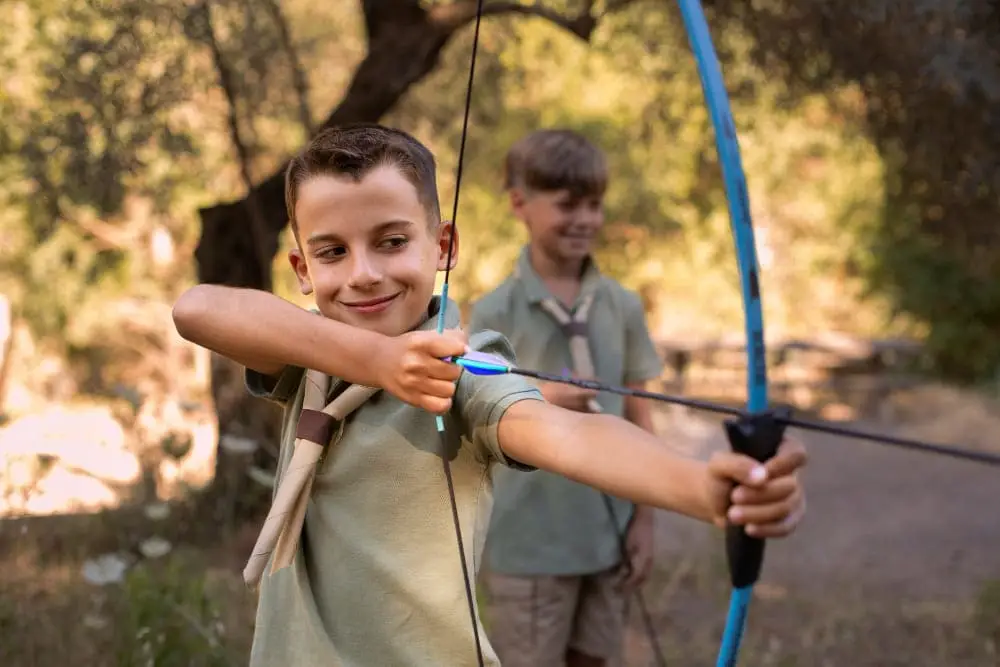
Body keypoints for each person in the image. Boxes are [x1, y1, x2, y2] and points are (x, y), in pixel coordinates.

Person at [171, 123, 808, 667]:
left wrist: (703, 489)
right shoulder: (308, 359)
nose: (364, 273)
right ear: (303, 271)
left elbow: (566, 433)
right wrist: (380, 359)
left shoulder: (463, 370)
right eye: (332, 251)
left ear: (441, 246)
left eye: (392, 241)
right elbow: (198, 308)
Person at [470, 128, 665, 667]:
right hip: (529, 544)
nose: (584, 220)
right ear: (520, 204)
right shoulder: (494, 312)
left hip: (608, 535)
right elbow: (478, 413)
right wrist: (541, 398)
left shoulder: (622, 306)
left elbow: (639, 414)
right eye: (567, 205)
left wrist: (644, 520)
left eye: (595, 205)